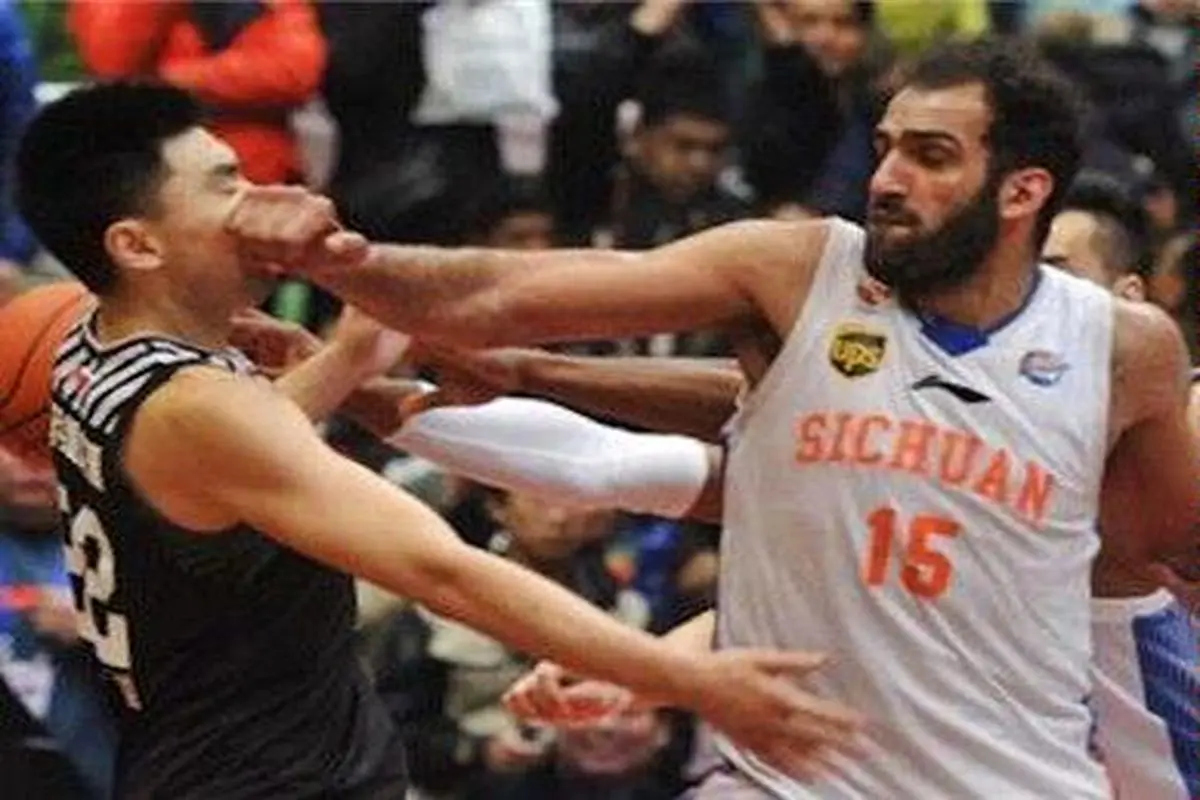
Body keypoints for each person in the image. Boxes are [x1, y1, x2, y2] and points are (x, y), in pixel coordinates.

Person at [224, 36, 1200, 798]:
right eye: (885, 148)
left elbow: (1155, 562)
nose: (887, 179)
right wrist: (345, 259)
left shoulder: (1126, 355)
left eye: (931, 155)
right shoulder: (800, 271)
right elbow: (508, 302)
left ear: (1023, 190)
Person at [14, 83, 858, 798]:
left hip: (207, 758)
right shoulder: (200, 407)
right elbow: (441, 570)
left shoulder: (91, 347)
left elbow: (233, 462)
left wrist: (345, 364)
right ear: (137, 244)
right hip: (273, 779)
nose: (261, 200)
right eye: (225, 185)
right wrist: (684, 677)